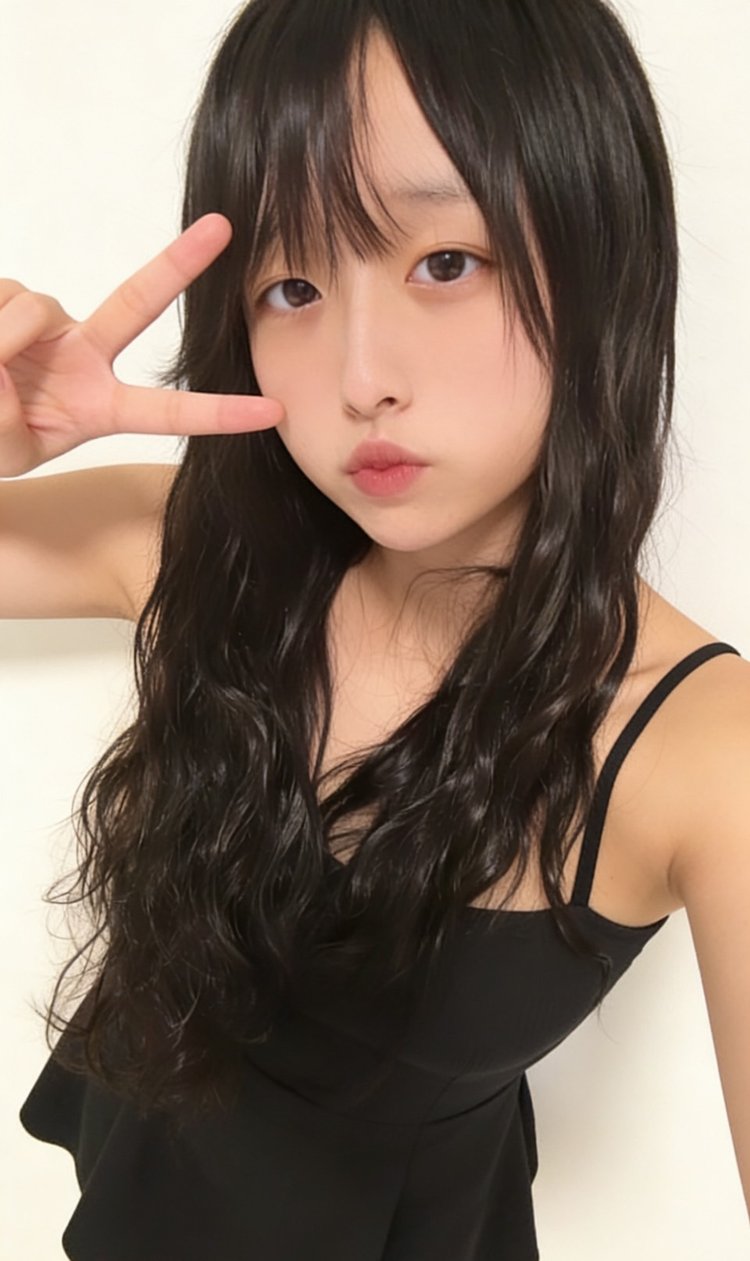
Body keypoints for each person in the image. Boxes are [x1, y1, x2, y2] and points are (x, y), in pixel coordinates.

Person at [3, 0, 748, 1256]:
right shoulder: (200, 541)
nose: (359, 379)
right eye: (292, 285)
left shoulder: (705, 751)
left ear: (601, 252)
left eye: (445, 263)